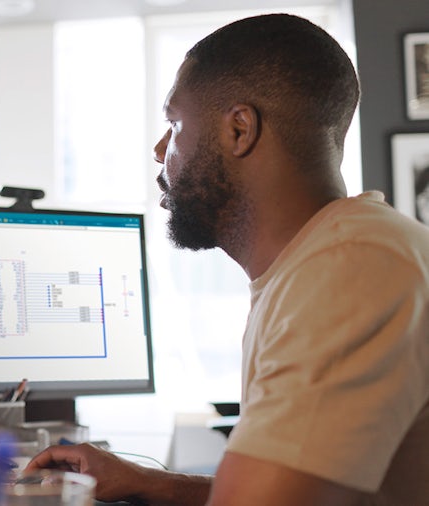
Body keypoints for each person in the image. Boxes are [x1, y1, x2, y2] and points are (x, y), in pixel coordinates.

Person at [25, 13, 429, 505]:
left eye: (173, 124)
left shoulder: (348, 269)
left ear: (240, 129)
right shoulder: (326, 259)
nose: (159, 150)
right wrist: (156, 484)